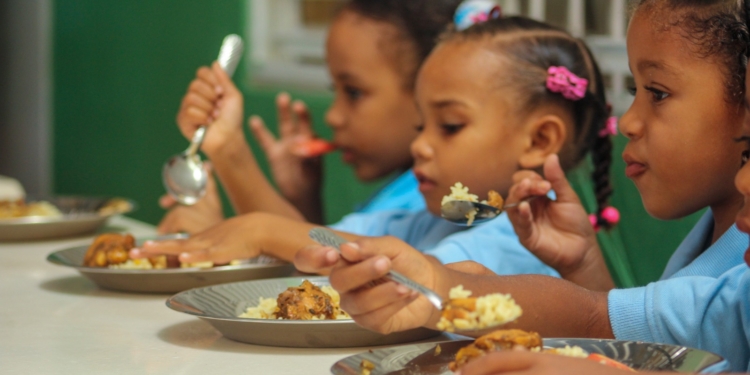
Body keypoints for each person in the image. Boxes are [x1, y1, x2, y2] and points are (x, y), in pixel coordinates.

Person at [292, 0, 750, 371]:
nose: (627, 121)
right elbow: (629, 334)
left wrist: (442, 286)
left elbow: (602, 323)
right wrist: (585, 265)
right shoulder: (714, 250)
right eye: (635, 90)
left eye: (658, 92)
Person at [131, 5, 615, 278]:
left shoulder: (522, 241)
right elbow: (323, 245)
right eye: (419, 126)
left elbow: (413, 279)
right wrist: (247, 219)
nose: (421, 147)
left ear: (539, 140)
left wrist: (260, 227)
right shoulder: (427, 218)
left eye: (447, 126)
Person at [156, 0, 463, 234]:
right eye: (335, 90)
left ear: (428, 89)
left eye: (354, 92)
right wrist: (304, 200)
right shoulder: (405, 189)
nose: (332, 116)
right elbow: (321, 255)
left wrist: (229, 153)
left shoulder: (435, 198)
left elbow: (320, 264)